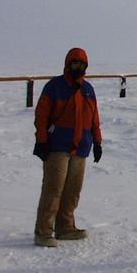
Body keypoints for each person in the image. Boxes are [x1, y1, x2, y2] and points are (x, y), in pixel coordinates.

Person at [32, 48, 103, 247]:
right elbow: (42, 116)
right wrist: (42, 140)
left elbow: (94, 119)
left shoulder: (88, 89)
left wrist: (97, 142)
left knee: (73, 190)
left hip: (81, 147)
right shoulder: (54, 87)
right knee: (53, 189)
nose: (78, 67)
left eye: (82, 64)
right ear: (68, 64)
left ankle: (65, 228)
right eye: (75, 63)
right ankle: (43, 232)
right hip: (57, 147)